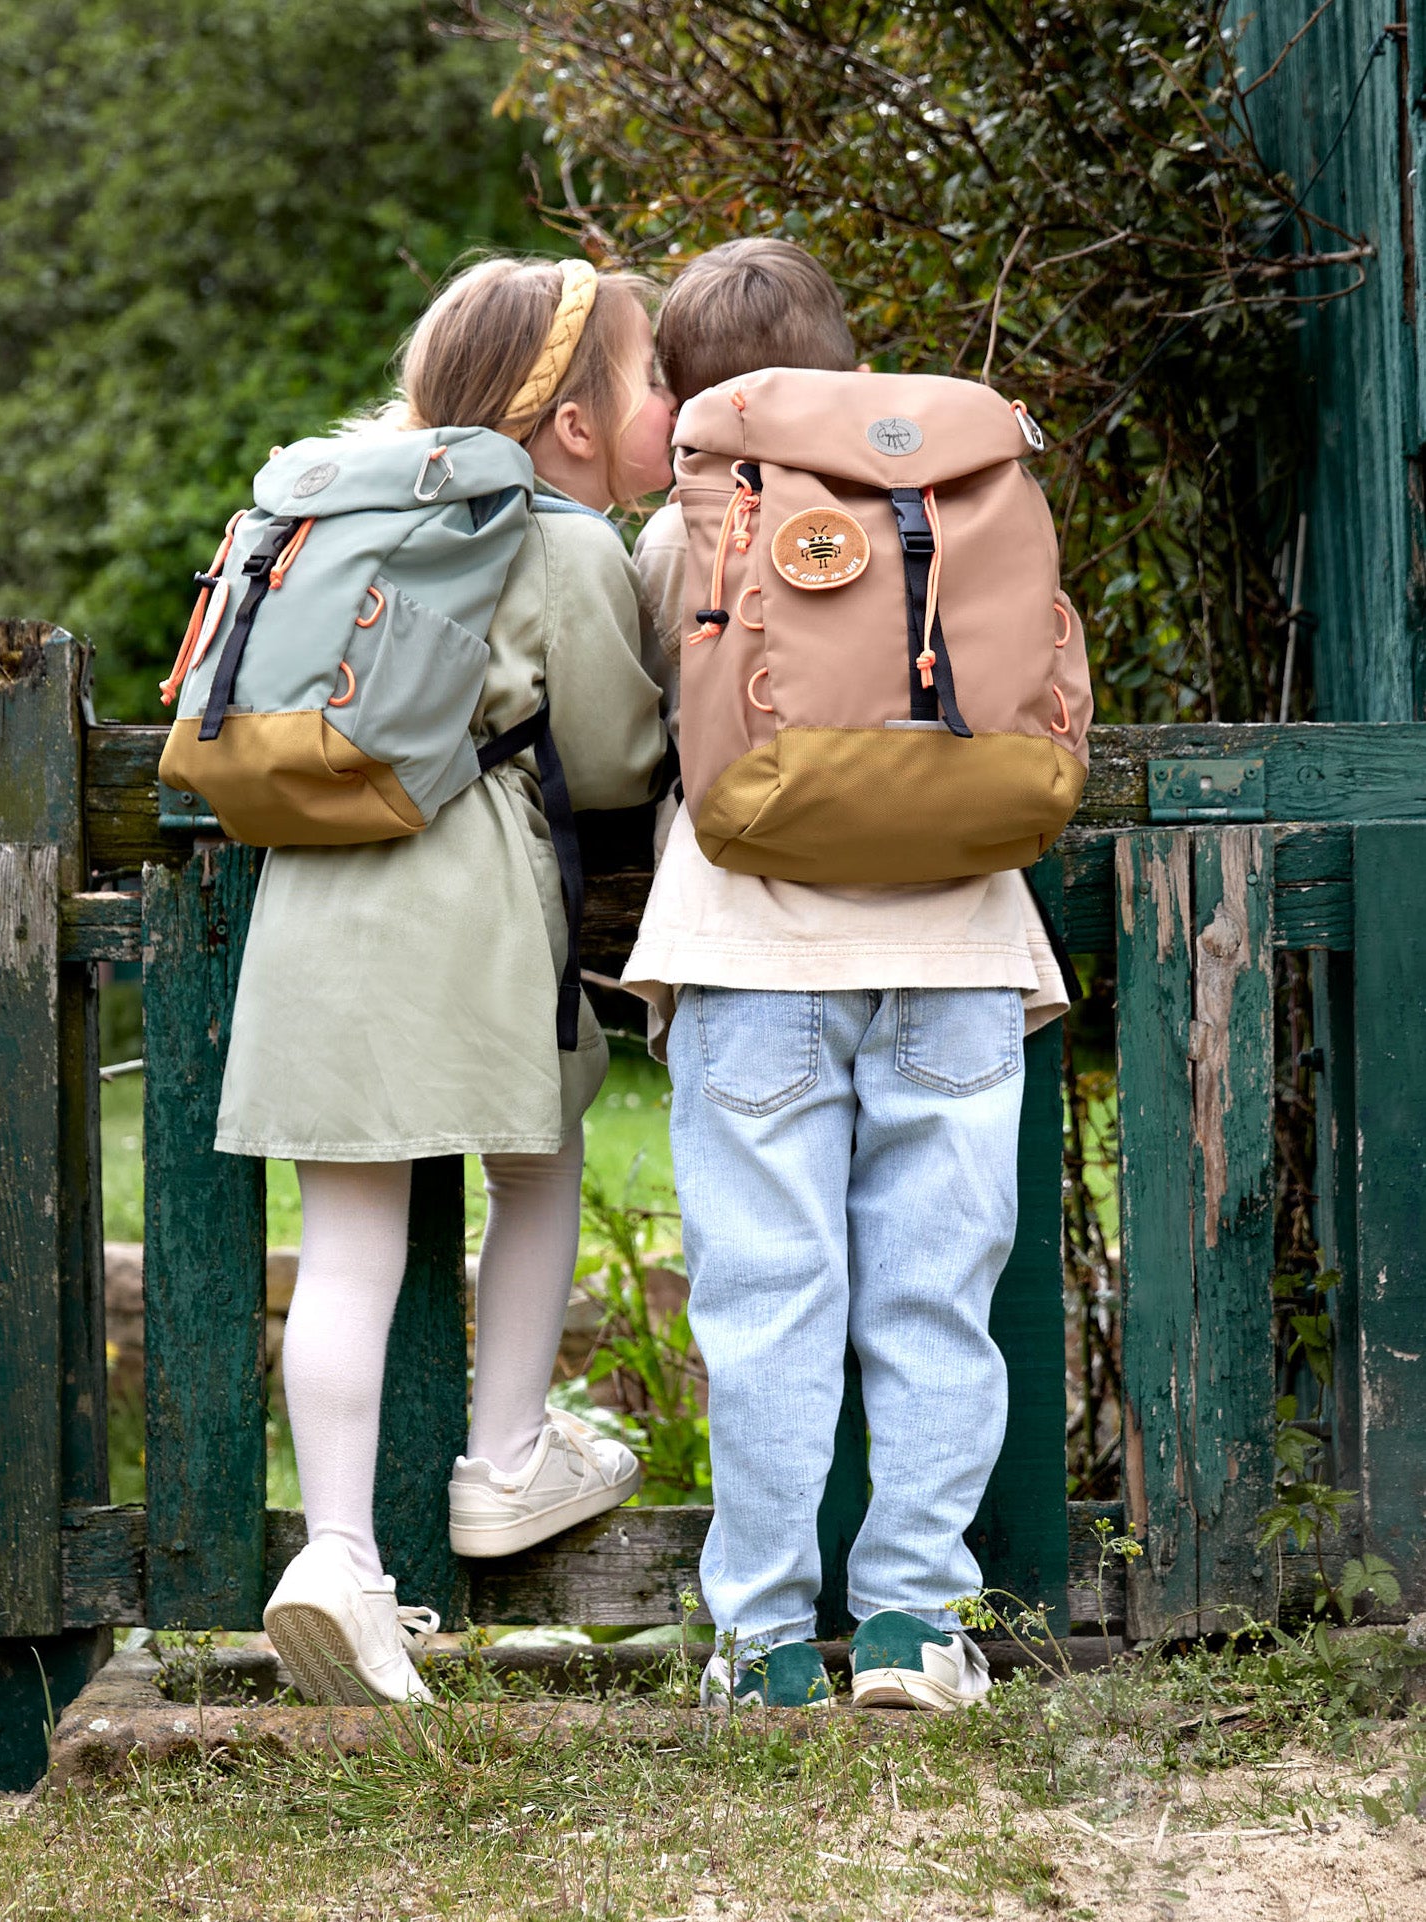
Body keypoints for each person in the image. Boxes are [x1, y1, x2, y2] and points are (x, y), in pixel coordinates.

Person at [622, 238, 1074, 1712]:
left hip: (751, 952)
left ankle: (759, 1642)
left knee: (767, 1300)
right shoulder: (959, 487)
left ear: (697, 397)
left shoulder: (690, 520)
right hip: (955, 945)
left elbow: (646, 727)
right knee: (936, 1298)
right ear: (847, 356)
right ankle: (914, 1626)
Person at [216, 256, 674, 1706]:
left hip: (310, 913)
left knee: (348, 1242)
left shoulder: (332, 512)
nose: (670, 402)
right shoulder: (559, 538)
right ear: (580, 426)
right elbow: (608, 760)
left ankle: (339, 1556)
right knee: (533, 1166)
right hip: (469, 914)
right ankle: (508, 1453)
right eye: (652, 377)